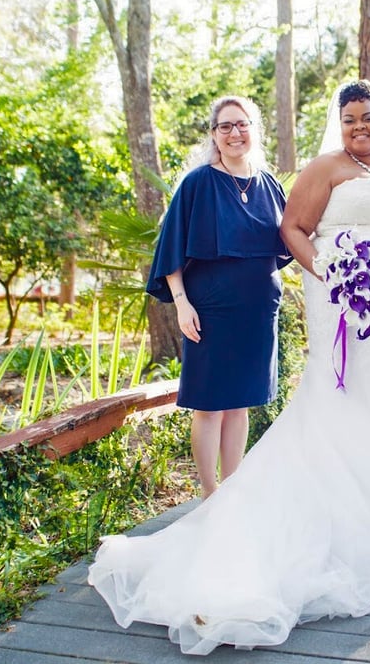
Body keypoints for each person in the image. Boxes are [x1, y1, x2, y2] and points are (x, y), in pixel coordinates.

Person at [88, 80, 370, 656]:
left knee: (246, 402)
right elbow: (293, 232)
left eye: (368, 117)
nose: (359, 127)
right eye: (350, 119)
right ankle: (219, 497)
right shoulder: (313, 169)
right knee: (222, 403)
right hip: (320, 311)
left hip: (367, 321)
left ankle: (233, 491)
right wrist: (333, 272)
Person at [145, 96, 291, 499]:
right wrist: (181, 303)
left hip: (258, 311)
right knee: (209, 405)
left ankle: (233, 490)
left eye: (242, 124)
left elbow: (293, 237)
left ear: (254, 130)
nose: (234, 133)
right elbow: (170, 248)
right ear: (214, 134)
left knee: (240, 404)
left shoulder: (268, 184)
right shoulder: (198, 183)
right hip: (210, 310)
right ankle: (210, 495)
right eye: (225, 126)